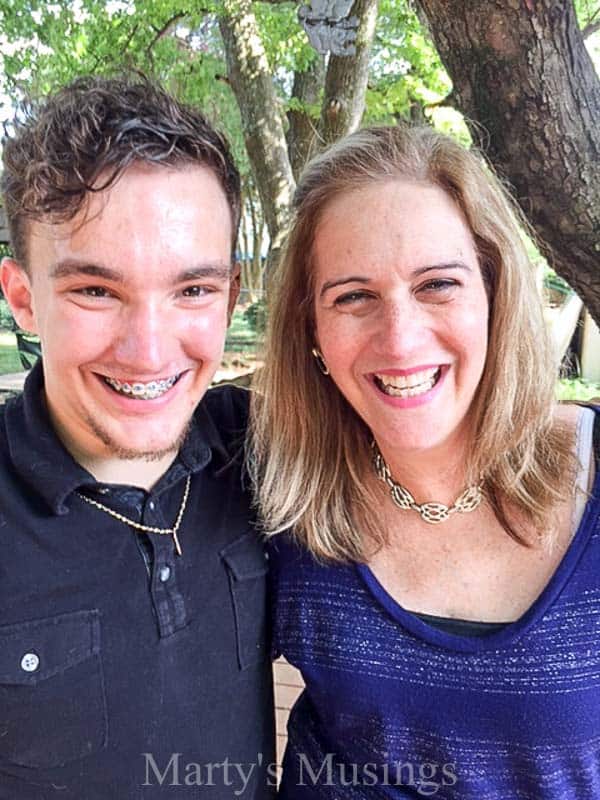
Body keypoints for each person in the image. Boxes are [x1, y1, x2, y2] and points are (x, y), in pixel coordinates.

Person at [250, 125, 600, 798]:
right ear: (311, 330)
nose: (401, 337)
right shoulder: (279, 493)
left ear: (497, 296)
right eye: (352, 296)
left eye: (438, 283)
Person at [0, 75, 274, 798]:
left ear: (231, 295)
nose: (150, 352)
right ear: (23, 296)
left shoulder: (264, 452)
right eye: (96, 289)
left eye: (192, 290)